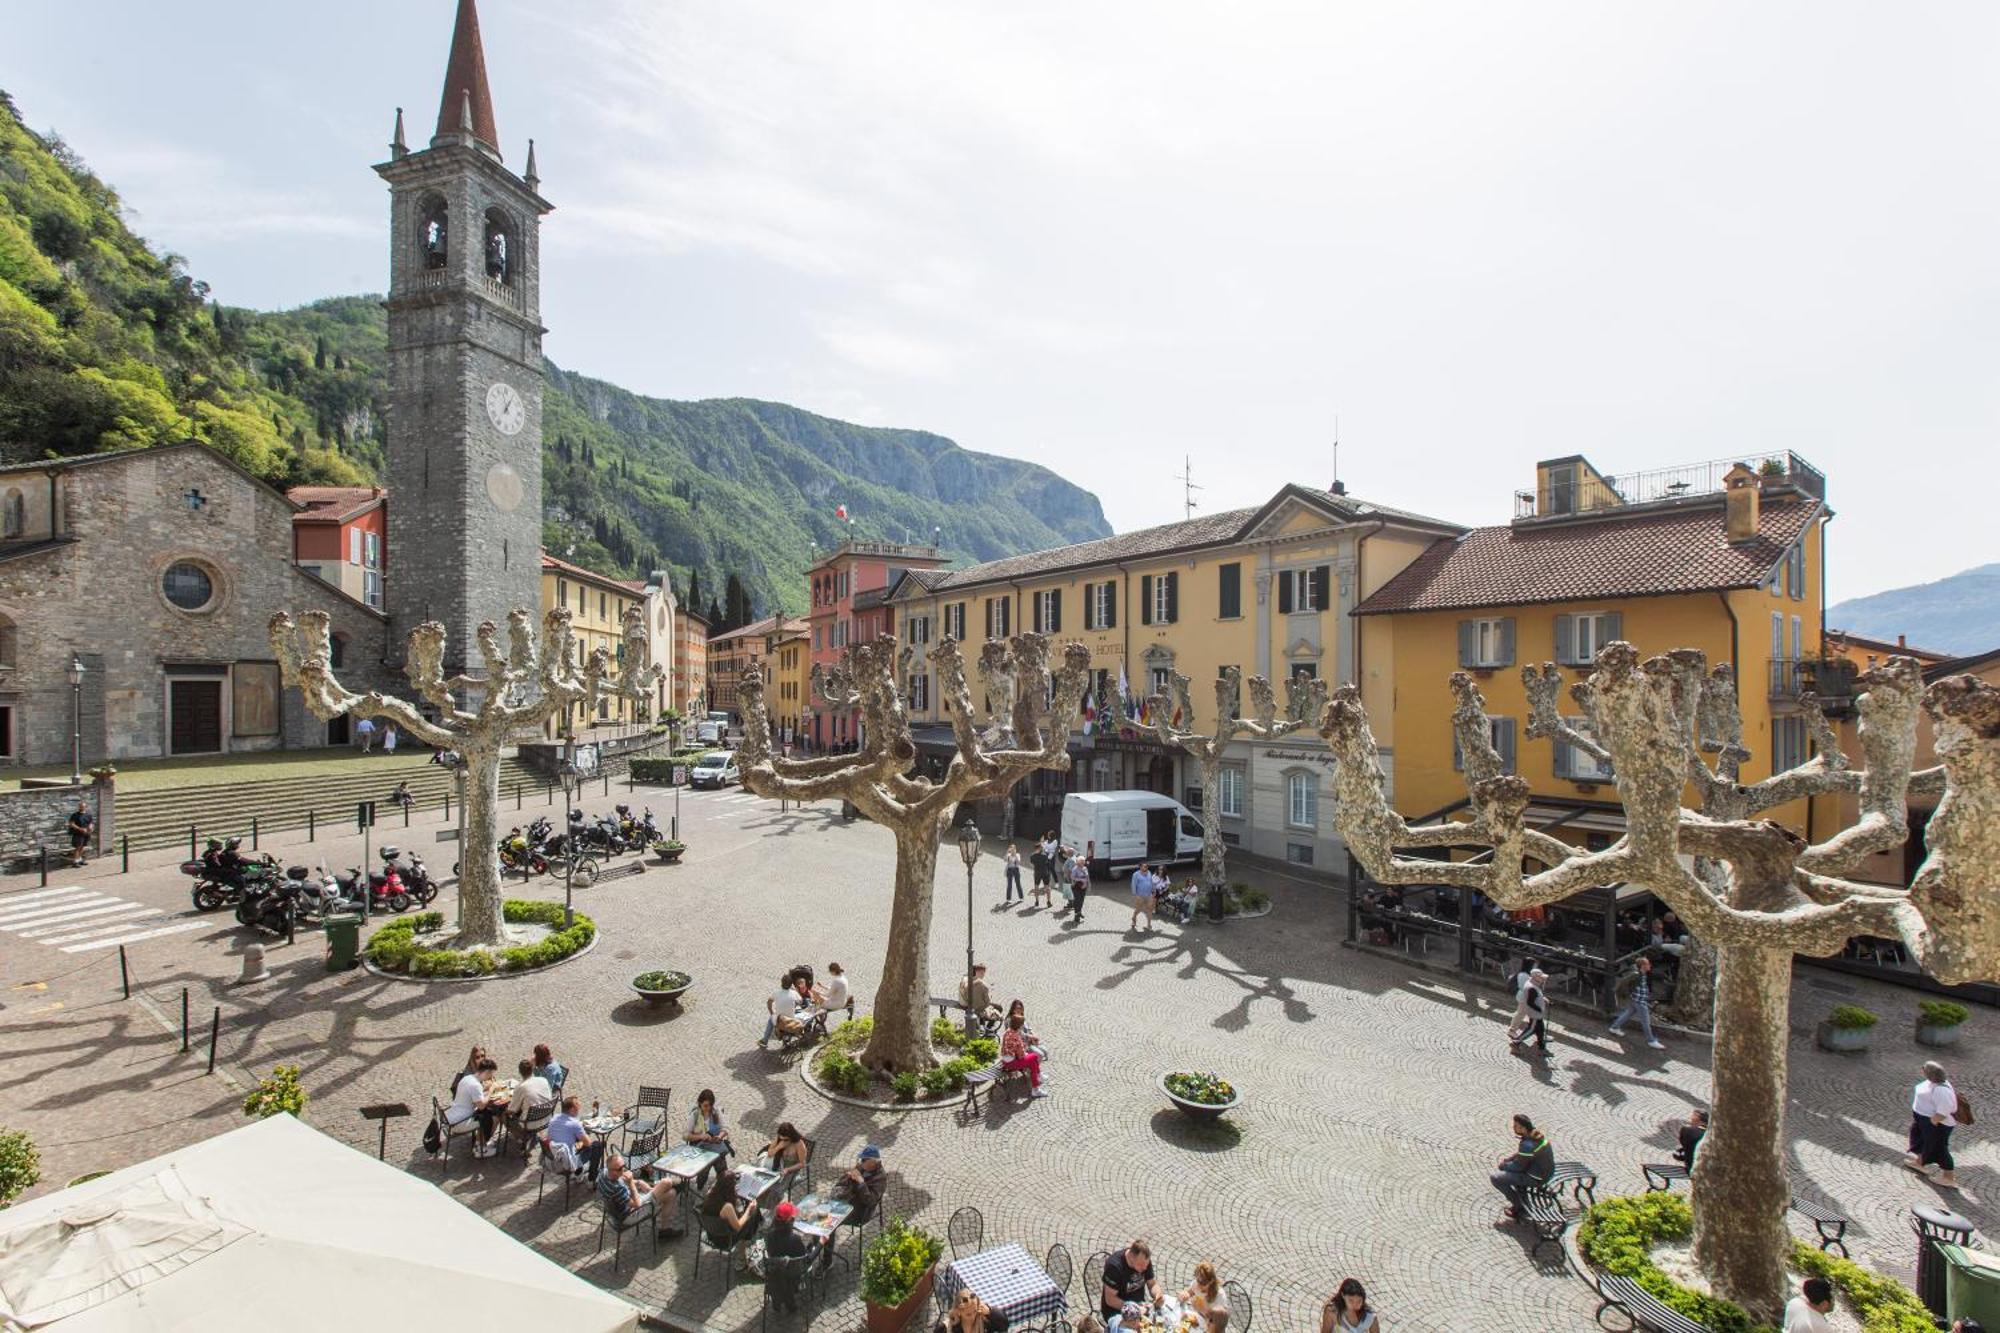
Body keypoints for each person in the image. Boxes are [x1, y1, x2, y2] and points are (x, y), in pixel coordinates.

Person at [598, 1149, 681, 1240]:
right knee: (666, 1183)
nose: (624, 1170)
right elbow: (637, 1204)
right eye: (620, 1169)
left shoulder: (604, 1172)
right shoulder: (617, 1189)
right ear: (612, 1170)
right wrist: (631, 1183)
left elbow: (620, 1179)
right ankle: (675, 1181)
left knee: (671, 1194)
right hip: (628, 1216)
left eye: (624, 1166)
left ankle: (664, 1231)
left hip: (622, 1209)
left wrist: (638, 1182)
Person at [1905, 1060, 1961, 1188]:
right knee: (1920, 1140)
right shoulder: (1932, 1082)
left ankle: (1949, 1177)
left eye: (1924, 1069)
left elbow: (1945, 1110)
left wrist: (1933, 1121)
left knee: (1939, 1148)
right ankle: (1920, 1163)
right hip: (1923, 1120)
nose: (1922, 1069)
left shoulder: (1941, 1090)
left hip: (1937, 1124)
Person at [1491, 1113, 1555, 1218]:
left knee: (1496, 1178)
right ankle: (1521, 1198)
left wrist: (1504, 1166)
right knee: (1511, 1172)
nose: (1513, 1127)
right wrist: (1511, 1158)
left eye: (1516, 1126)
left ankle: (1520, 1206)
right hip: (1546, 1171)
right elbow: (1525, 1155)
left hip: (1536, 1177)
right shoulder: (1536, 1136)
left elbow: (1519, 1166)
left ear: (1523, 1128)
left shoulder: (1527, 1144)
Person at [699, 1167, 762, 1272]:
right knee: (753, 1215)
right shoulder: (727, 1207)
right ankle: (742, 1258)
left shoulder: (710, 1194)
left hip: (710, 1232)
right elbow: (738, 1226)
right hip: (724, 1238)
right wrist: (749, 1210)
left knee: (749, 1215)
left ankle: (755, 1228)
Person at [447, 1056, 506, 1156]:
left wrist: (485, 1090)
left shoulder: (467, 1078)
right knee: (494, 1118)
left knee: (487, 1114)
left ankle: (480, 1142)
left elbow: (474, 1096)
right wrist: (491, 1089)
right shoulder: (475, 1085)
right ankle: (480, 1148)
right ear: (487, 1072)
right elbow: (481, 1106)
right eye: (491, 1074)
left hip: (452, 1116)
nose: (491, 1077)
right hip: (460, 1122)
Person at [1609, 956, 1667, 1050]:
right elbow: (1623, 982)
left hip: (1636, 999)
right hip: (1639, 1001)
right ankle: (1651, 1041)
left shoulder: (1642, 974)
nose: (1650, 965)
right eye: (1648, 964)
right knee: (1646, 1022)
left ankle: (1614, 1027)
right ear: (1643, 966)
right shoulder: (1636, 974)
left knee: (1627, 1014)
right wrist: (1625, 993)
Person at [543, 1094, 605, 1181]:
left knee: (578, 1141)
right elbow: (588, 1143)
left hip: (553, 1156)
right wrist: (583, 1132)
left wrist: (579, 1138)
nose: (579, 1108)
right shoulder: (575, 1124)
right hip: (567, 1162)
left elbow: (549, 1136)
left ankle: (579, 1173)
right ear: (572, 1110)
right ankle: (592, 1179)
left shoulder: (554, 1119)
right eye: (578, 1106)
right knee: (597, 1145)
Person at [1100, 1240, 1162, 1320]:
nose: (1145, 1268)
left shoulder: (1144, 1261)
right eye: (1141, 1265)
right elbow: (1110, 1299)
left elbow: (1152, 1284)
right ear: (1131, 1257)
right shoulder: (1114, 1267)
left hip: (1139, 1305)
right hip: (1116, 1312)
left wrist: (1157, 1293)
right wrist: (1133, 1308)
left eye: (1146, 1264)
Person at [1001, 1012, 1048, 1098]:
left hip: (1006, 1060)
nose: (1023, 1026)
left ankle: (1036, 1085)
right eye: (1022, 1024)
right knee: (1034, 1057)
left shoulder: (1008, 1031)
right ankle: (1037, 1083)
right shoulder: (1016, 1036)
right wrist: (1026, 1053)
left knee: (1033, 1062)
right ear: (1019, 1025)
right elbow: (1021, 1056)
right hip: (1012, 1063)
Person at [757, 1121, 810, 1195]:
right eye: (781, 1139)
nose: (783, 1141)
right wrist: (779, 1147)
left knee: (773, 1191)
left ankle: (769, 1206)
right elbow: (770, 1154)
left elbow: (802, 1163)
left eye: (786, 1140)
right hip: (777, 1166)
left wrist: (788, 1169)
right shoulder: (779, 1139)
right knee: (762, 1184)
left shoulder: (799, 1144)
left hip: (790, 1170)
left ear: (791, 1136)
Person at [1179, 1261, 1229, 1333]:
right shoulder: (1197, 1283)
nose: (1198, 1285)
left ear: (1211, 1281)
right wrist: (1184, 1294)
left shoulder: (1220, 1296)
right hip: (1198, 1319)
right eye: (1197, 1279)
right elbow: (1189, 1291)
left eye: (1202, 1283)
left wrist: (1203, 1310)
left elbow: (1218, 1326)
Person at [507, 1057, 554, 1135]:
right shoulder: (543, 1080)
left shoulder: (521, 1087)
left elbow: (512, 1110)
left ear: (520, 1072)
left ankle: (520, 1137)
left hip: (530, 1124)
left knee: (503, 1115)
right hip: (546, 1117)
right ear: (532, 1069)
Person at [936, 1287, 1011, 1333]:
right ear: (958, 1311)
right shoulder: (947, 1328)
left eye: (974, 1311)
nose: (973, 1317)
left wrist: (989, 1311)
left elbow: (1004, 1326)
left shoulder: (984, 1321)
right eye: (968, 1314)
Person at [1517, 969, 1551, 1057]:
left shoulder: (1533, 984)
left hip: (1536, 1013)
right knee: (1532, 1029)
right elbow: (1530, 1002)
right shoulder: (1531, 988)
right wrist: (1540, 1009)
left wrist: (1543, 999)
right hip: (1535, 1013)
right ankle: (1517, 1041)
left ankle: (1541, 1046)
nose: (1543, 980)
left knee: (1540, 1029)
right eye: (1541, 978)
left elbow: (1536, 996)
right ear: (1536, 978)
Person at [66, 798, 93, 868]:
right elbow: (71, 824)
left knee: (83, 847)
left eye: (83, 806)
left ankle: (79, 859)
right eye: (80, 806)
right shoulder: (75, 815)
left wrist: (90, 827)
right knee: (77, 847)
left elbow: (91, 823)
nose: (81, 808)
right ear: (79, 807)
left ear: (85, 807)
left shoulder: (88, 815)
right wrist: (80, 829)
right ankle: (75, 861)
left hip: (86, 833)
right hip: (77, 834)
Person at [1129, 864, 1156, 933]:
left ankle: (1149, 925)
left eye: (1147, 866)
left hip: (1149, 895)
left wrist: (1153, 890)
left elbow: (1151, 882)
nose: (1146, 867)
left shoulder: (1149, 872)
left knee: (1149, 909)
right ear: (1140, 867)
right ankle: (1134, 918)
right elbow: (1133, 884)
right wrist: (1135, 895)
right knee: (1138, 909)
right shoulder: (1136, 874)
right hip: (1140, 895)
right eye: (1144, 866)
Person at [1069, 851, 1091, 926]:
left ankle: (1079, 912)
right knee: (1077, 900)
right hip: (1076, 886)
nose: (1083, 863)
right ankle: (1076, 915)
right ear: (1078, 862)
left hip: (1083, 887)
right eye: (1081, 862)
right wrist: (1081, 880)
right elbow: (1072, 877)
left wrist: (1087, 884)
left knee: (1081, 900)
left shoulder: (1085, 868)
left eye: (1083, 862)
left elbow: (1087, 877)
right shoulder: (1075, 869)